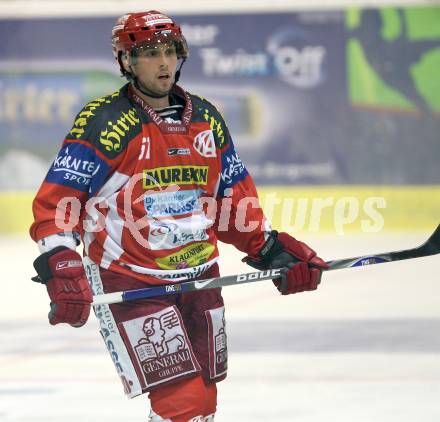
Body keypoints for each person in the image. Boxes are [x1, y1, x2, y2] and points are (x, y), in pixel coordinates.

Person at [30, 10, 328, 422]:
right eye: (150, 53)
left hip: (201, 276)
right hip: (132, 278)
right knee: (183, 404)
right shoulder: (105, 122)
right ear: (126, 61)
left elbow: (230, 198)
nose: (164, 62)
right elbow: (58, 201)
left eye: (169, 51)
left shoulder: (206, 118)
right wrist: (60, 264)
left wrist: (268, 247)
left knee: (204, 402)